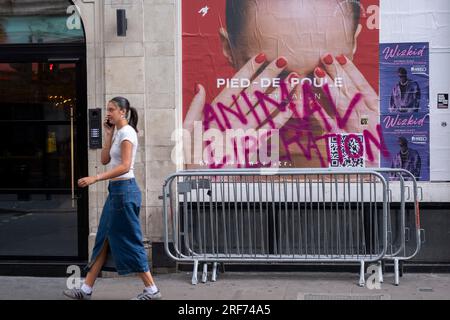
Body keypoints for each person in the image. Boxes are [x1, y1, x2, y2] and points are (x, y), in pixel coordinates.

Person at [183, 0, 380, 168]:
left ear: (354, 44)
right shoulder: (198, 148)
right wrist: (208, 189)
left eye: (322, 76)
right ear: (228, 49)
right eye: (276, 78)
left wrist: (372, 178)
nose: (301, 109)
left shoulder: (380, 146)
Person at [63, 97, 161, 300]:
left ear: (122, 112)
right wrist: (108, 134)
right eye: (107, 110)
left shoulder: (127, 133)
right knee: (103, 238)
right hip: (117, 192)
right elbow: (105, 159)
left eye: (111, 109)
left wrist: (95, 178)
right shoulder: (117, 133)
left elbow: (125, 166)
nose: (108, 113)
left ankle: (152, 290)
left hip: (125, 192)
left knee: (130, 240)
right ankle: (86, 290)